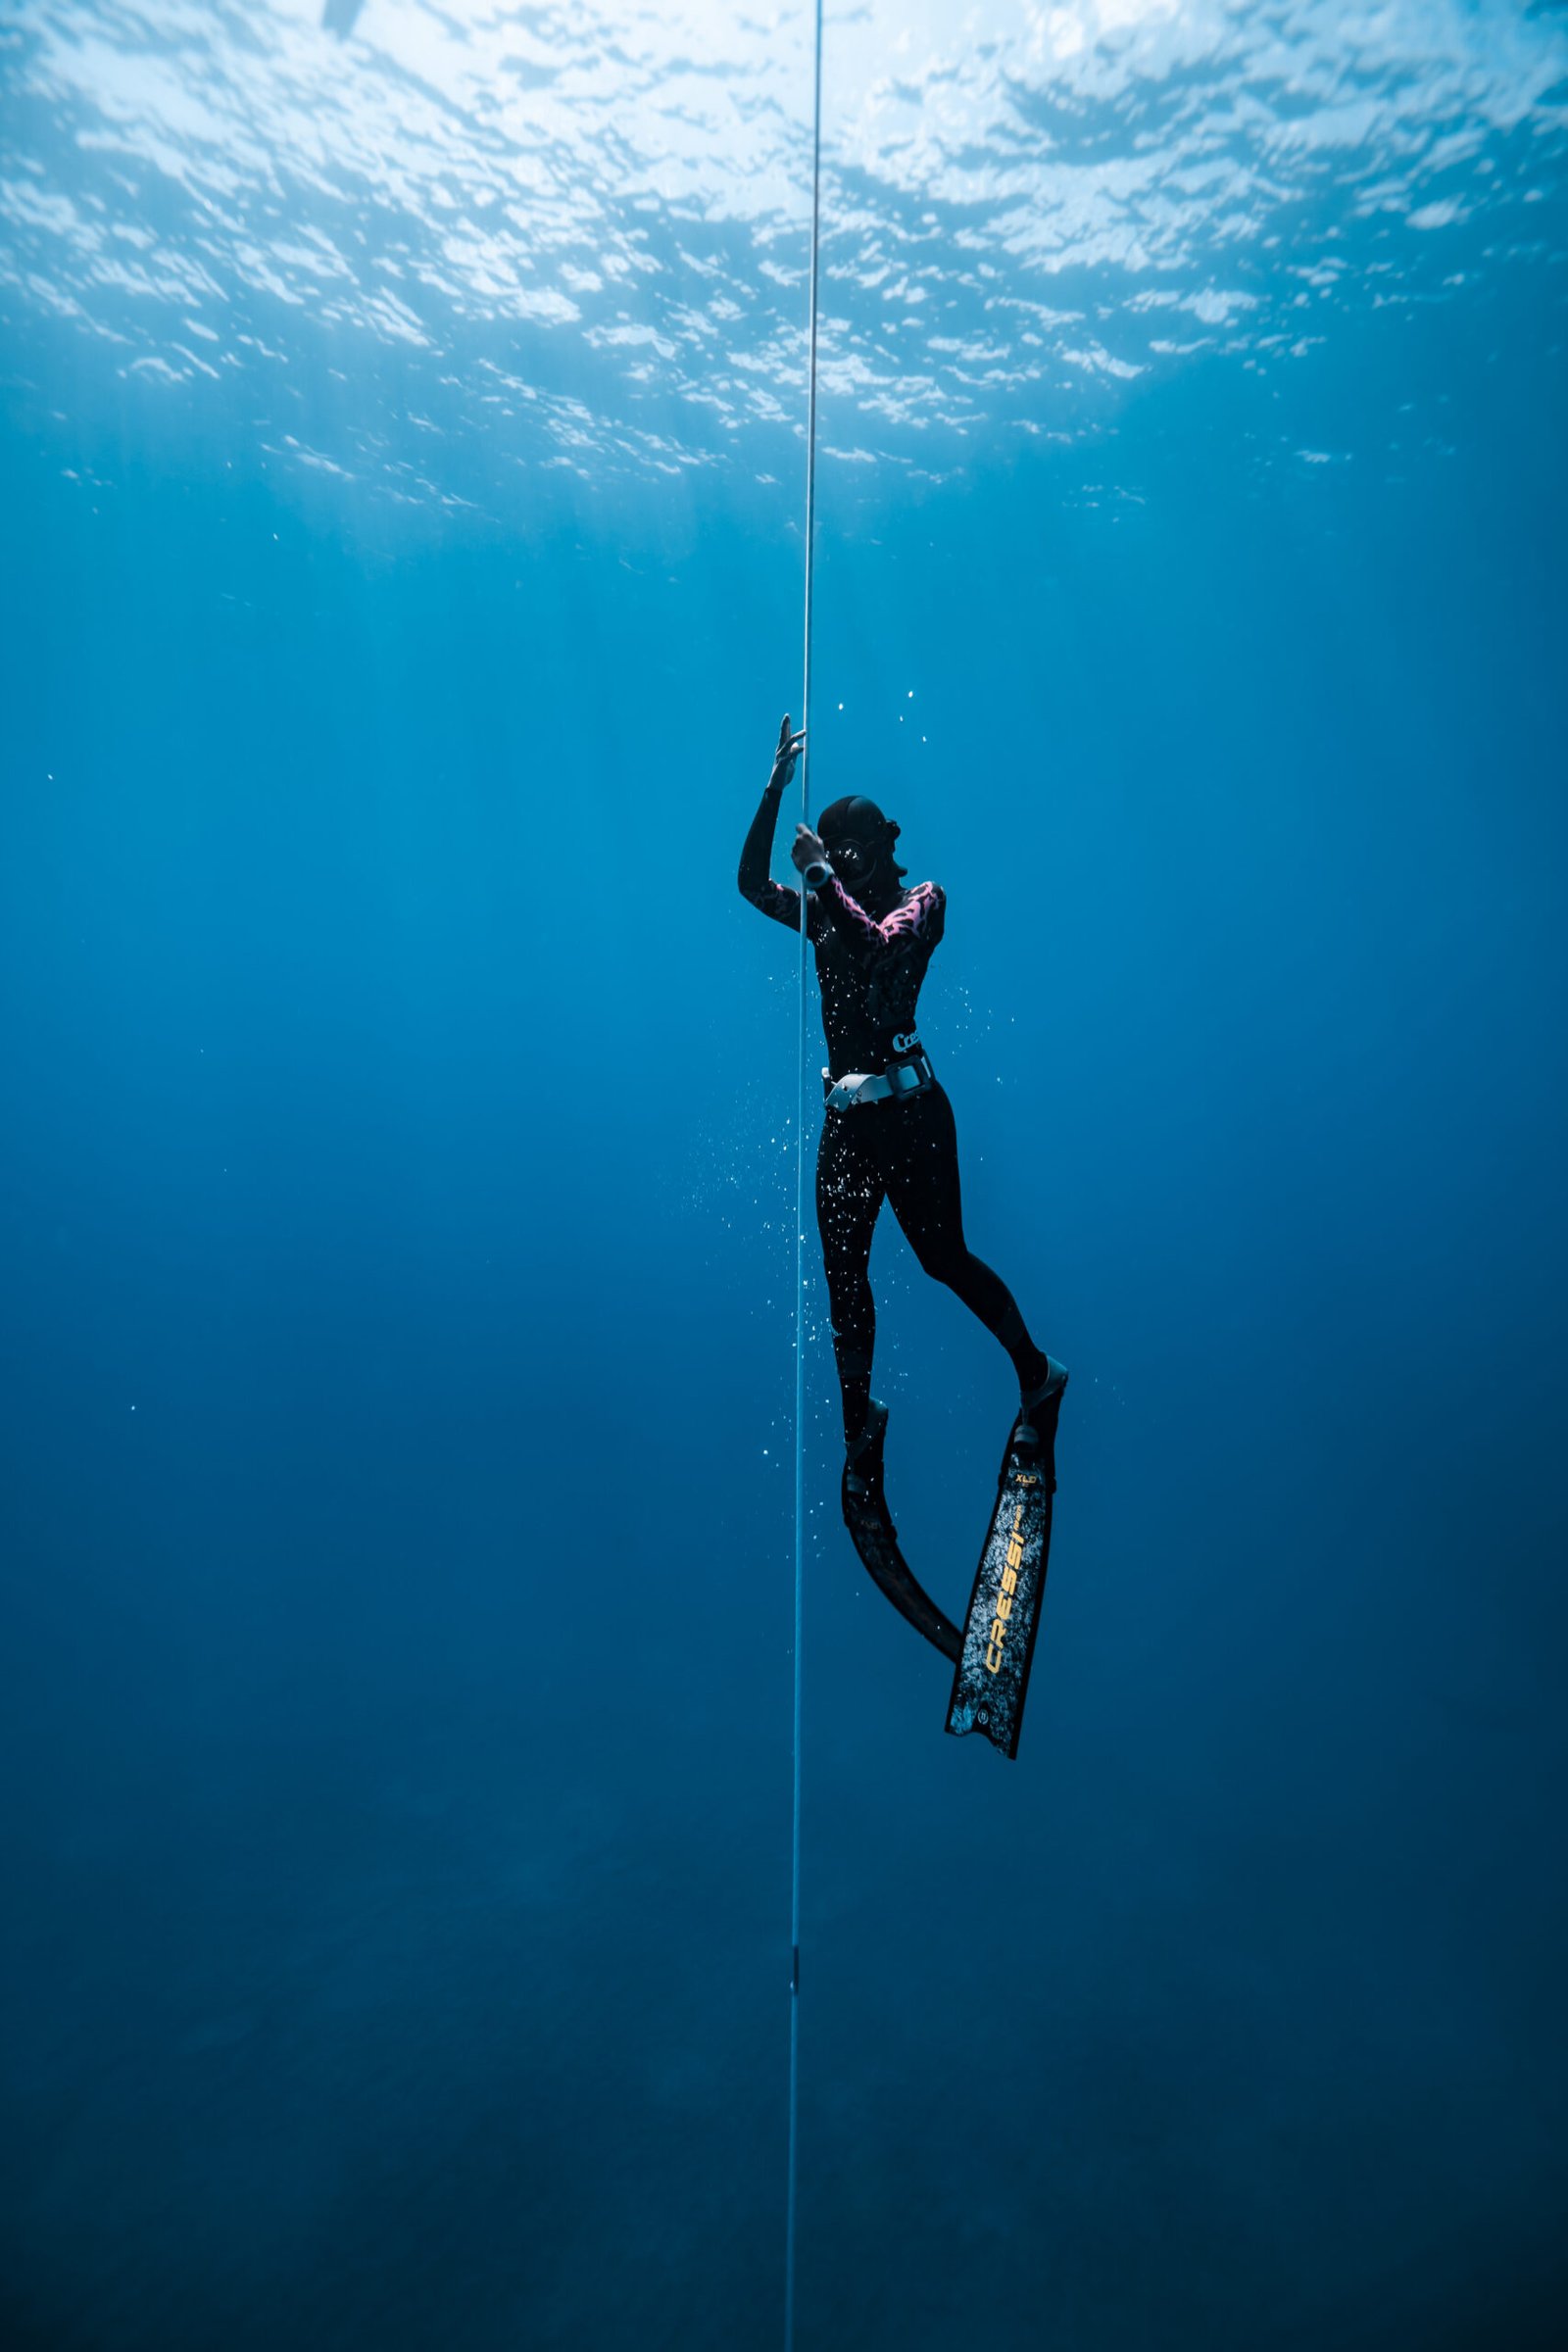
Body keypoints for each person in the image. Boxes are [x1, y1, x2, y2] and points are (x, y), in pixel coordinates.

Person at [738, 713, 1066, 1512]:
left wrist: (821, 878)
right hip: (849, 1125)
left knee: (942, 1256)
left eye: (862, 850)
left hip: (913, 1114)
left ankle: (1037, 1373)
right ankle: (861, 1430)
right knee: (842, 1281)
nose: (853, 863)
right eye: (843, 854)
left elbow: (883, 948)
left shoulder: (924, 900)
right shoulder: (825, 908)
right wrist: (772, 792)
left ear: (888, 844)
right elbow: (751, 885)